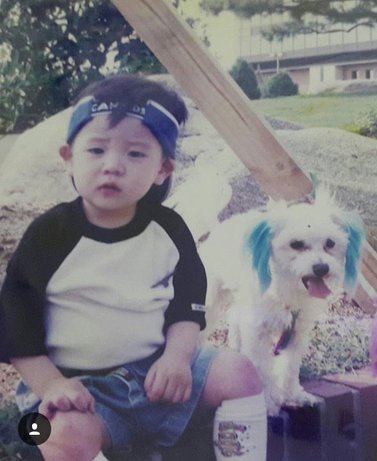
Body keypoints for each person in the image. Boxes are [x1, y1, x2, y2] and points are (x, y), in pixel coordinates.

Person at [0, 74, 267, 461]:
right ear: (68, 157)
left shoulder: (170, 231)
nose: (112, 166)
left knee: (238, 372)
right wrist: (51, 386)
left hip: (157, 375)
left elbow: (188, 305)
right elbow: (15, 323)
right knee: (55, 433)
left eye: (136, 154)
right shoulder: (49, 236)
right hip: (79, 388)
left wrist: (177, 358)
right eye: (96, 150)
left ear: (163, 169)